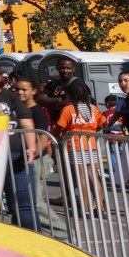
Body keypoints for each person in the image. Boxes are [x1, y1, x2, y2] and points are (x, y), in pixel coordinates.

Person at [0, 62, 39, 231]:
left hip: (15, 156)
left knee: (23, 205)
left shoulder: (11, 98)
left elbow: (27, 124)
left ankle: (32, 243)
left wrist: (31, 148)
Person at [14, 77, 67, 240]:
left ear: (34, 91)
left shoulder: (37, 112)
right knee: (23, 199)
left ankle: (61, 232)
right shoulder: (20, 110)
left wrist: (33, 155)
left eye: (24, 89)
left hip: (37, 160)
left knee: (35, 201)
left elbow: (44, 139)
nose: (20, 92)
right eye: (18, 89)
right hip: (25, 159)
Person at [56, 80, 107, 217]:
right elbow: (102, 124)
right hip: (92, 146)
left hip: (75, 146)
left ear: (70, 95)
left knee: (81, 177)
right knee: (93, 177)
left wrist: (58, 135)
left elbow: (59, 127)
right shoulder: (93, 108)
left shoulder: (68, 109)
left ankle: (85, 209)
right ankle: (101, 209)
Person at [37, 57, 80, 129]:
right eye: (62, 68)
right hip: (56, 125)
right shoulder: (53, 84)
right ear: (57, 68)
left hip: (72, 127)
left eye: (68, 68)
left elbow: (66, 104)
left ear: (73, 69)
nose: (65, 70)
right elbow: (40, 100)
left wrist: (50, 105)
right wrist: (59, 100)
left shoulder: (77, 84)